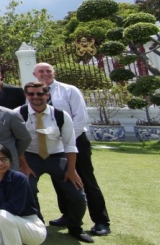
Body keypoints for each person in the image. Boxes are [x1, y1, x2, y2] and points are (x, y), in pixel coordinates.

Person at [34, 63, 110, 237]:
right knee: (60, 180)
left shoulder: (69, 90)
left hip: (75, 141)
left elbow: (80, 118)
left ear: (54, 72)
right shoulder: (34, 93)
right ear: (35, 74)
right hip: (52, 144)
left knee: (85, 180)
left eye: (48, 71)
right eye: (41, 71)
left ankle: (101, 221)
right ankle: (68, 215)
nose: (45, 74)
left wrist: (66, 140)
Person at [18, 82, 93, 243]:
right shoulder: (18, 113)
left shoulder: (60, 115)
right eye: (31, 94)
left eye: (39, 94)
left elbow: (70, 144)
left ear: (47, 95)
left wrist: (71, 170)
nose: (35, 97)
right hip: (30, 158)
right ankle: (37, 227)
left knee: (78, 194)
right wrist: (24, 166)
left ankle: (75, 227)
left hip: (57, 157)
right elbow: (16, 142)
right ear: (26, 96)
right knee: (27, 189)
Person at [0, 143, 46, 245]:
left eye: (4, 159)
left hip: (31, 226)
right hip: (4, 224)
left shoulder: (19, 178)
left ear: (10, 160)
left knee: (1, 214)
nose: (0, 163)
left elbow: (14, 208)